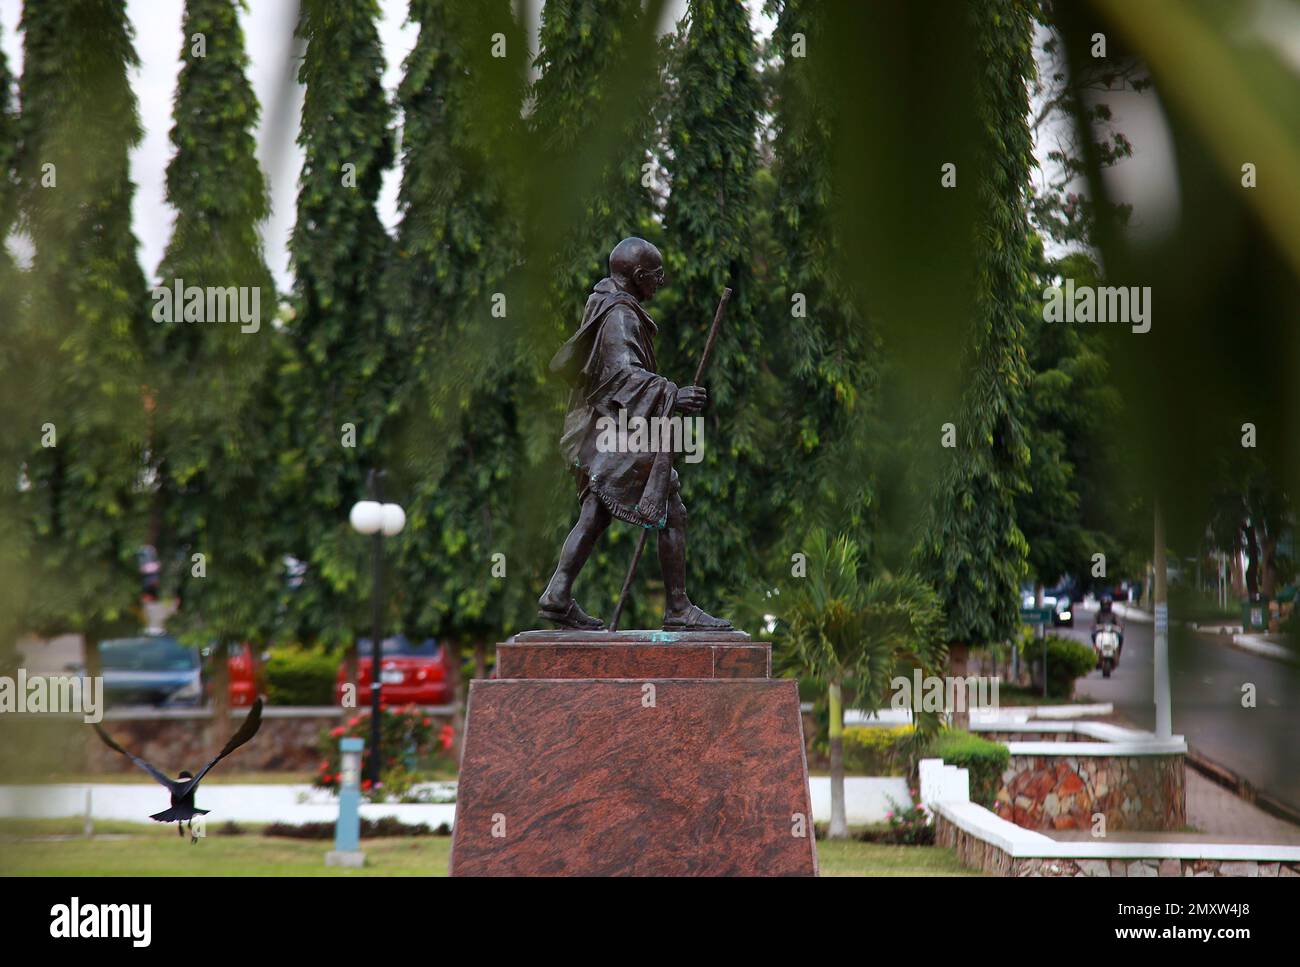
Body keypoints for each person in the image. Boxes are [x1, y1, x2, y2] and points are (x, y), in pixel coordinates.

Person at [537, 237, 733, 632]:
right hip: (611, 432)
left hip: (599, 429)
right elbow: (624, 375)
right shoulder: (620, 316)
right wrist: (673, 394)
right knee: (671, 509)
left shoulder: (606, 306)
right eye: (657, 276)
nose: (661, 283)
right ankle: (677, 607)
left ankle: (557, 595)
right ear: (639, 275)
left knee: (594, 513)